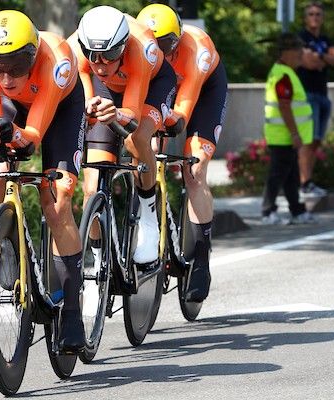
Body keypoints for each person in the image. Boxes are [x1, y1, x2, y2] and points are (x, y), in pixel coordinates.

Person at [0, 10, 86, 352]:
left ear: (33, 56)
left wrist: (13, 133)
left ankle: (73, 311)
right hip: (16, 111)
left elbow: (32, 137)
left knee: (58, 201)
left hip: (60, 110)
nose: (5, 76)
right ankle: (7, 245)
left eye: (17, 66)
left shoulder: (56, 59)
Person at [67, 6, 177, 265]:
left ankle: (149, 215)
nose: (101, 64)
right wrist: (90, 109)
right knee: (92, 187)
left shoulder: (141, 49)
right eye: (93, 56)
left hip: (151, 86)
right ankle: (98, 263)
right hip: (107, 92)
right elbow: (85, 101)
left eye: (110, 55)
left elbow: (133, 116)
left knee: (136, 137)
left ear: (124, 47)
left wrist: (116, 114)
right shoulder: (75, 50)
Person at [136, 4, 228, 302]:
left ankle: (201, 257)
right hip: (163, 88)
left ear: (178, 39)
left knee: (194, 169)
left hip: (200, 91)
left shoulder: (196, 49)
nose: (162, 53)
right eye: (156, 46)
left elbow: (181, 115)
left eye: (168, 46)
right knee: (146, 147)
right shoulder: (140, 52)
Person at [262, 32, 317, 226]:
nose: (302, 53)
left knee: (290, 176)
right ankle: (268, 212)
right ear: (287, 53)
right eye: (298, 50)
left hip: (286, 136)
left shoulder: (285, 72)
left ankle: (297, 211)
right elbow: (284, 107)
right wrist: (294, 134)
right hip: (283, 136)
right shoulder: (283, 74)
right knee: (278, 176)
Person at [297, 1, 334, 198]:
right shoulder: (301, 38)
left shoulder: (325, 39)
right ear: (306, 18)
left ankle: (309, 181)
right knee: (307, 141)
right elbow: (307, 62)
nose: (315, 17)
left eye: (318, 14)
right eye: (311, 14)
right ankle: (304, 183)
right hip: (307, 95)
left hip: (323, 95)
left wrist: (320, 56)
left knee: (316, 141)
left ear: (322, 18)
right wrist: (324, 59)